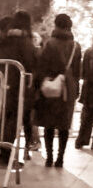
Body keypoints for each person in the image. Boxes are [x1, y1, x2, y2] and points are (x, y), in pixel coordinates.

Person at [34, 13, 81, 168]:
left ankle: (49, 157)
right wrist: (76, 88)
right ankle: (60, 158)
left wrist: (39, 84)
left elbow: (42, 66)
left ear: (56, 25)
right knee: (64, 124)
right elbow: (77, 71)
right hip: (68, 88)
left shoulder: (50, 44)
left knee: (49, 123)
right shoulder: (76, 46)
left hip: (52, 86)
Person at [0, 10, 36, 166]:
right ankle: (5, 155)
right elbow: (31, 63)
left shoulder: (5, 39)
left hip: (3, 84)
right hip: (17, 87)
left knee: (3, 118)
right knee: (13, 120)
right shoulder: (25, 42)